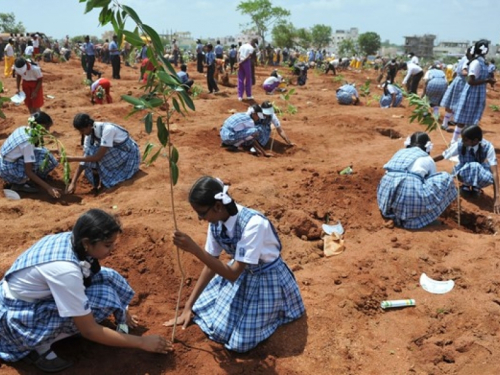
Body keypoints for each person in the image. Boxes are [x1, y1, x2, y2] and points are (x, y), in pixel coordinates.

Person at [0, 209, 172, 373]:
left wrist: (122, 310)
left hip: (28, 295)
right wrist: (142, 342)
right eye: (107, 245)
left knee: (110, 278)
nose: (112, 250)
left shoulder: (71, 239)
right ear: (87, 243)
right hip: (19, 318)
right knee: (103, 302)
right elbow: (89, 330)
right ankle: (38, 346)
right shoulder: (66, 270)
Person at [164, 176, 305, 352]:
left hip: (267, 280)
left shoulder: (254, 224)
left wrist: (194, 249)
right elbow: (211, 264)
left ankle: (277, 312)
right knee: (210, 319)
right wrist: (188, 307)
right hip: (242, 274)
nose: (200, 219)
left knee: (239, 344)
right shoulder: (216, 221)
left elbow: (233, 274)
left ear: (217, 206)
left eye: (201, 213)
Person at [377, 132, 457, 229]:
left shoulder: (399, 152)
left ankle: (395, 213)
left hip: (386, 192)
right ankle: (416, 218)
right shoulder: (427, 158)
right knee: (446, 177)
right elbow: (429, 181)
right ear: (427, 147)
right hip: (409, 191)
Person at [64, 113, 141, 193]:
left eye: (82, 130)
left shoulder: (108, 130)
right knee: (90, 152)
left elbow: (98, 157)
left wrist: (72, 158)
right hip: (116, 155)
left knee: (93, 152)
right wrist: (73, 182)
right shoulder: (90, 134)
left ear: (89, 125)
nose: (81, 133)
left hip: (128, 154)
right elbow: (85, 158)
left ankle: (108, 178)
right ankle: (98, 179)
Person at [434, 126, 500, 213]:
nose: (462, 141)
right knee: (473, 166)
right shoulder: (460, 144)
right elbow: (443, 155)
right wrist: (427, 160)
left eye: (465, 139)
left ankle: (476, 187)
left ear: (475, 140)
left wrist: (497, 197)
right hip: (463, 170)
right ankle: (466, 186)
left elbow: (494, 172)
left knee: (475, 166)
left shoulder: (487, 147)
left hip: (480, 171)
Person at [0, 112, 61, 198]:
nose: (48, 131)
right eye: (46, 127)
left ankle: (21, 181)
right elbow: (29, 172)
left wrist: (51, 150)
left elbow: (31, 148)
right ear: (38, 126)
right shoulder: (28, 142)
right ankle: (19, 183)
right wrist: (48, 188)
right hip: (8, 170)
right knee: (42, 159)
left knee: (44, 152)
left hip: (3, 162)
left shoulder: (24, 129)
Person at [450, 40, 496, 143]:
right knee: (464, 117)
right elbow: (470, 81)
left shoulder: (482, 62)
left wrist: (489, 80)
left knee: (471, 118)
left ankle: (463, 142)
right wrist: (487, 80)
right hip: (472, 92)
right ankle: (454, 141)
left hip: (478, 92)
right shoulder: (476, 63)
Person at [440, 47, 473, 131]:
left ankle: (445, 123)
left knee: (451, 103)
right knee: (459, 104)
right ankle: (460, 126)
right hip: (462, 82)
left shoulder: (463, 58)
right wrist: (473, 74)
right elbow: (464, 72)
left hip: (457, 80)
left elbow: (456, 72)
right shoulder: (467, 60)